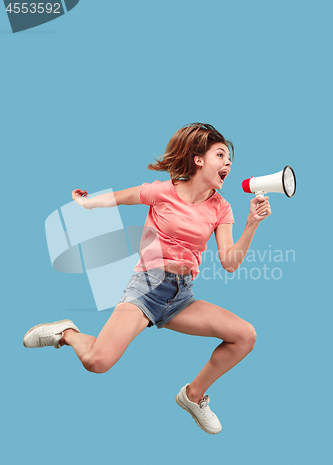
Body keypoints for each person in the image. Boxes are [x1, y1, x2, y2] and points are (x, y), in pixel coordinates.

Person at [24, 123, 271, 435]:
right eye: (221, 155)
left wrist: (252, 223)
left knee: (245, 336)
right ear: (198, 160)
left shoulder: (222, 207)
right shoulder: (163, 191)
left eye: (229, 159)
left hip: (181, 297)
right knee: (97, 362)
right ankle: (67, 333)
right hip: (146, 288)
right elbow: (121, 198)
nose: (228, 163)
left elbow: (230, 263)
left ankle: (193, 397)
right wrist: (86, 203)